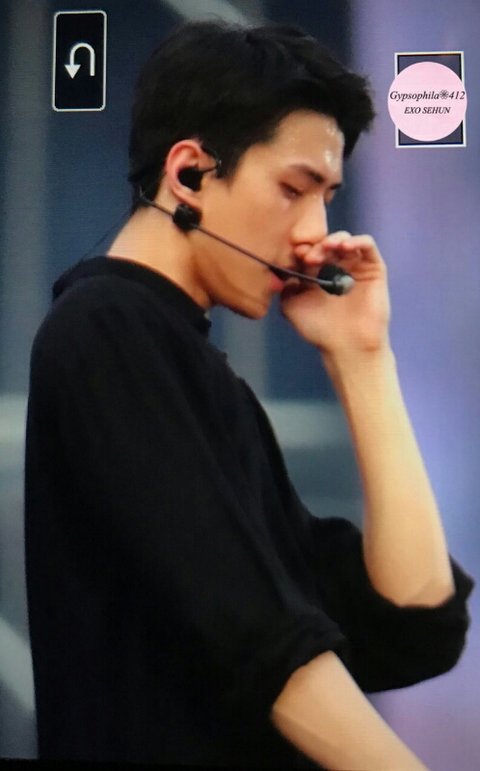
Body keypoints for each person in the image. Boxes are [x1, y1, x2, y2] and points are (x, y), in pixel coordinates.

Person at [25, 20, 474, 769]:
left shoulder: (194, 369)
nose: (314, 235)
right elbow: (262, 644)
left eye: (327, 198)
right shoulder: (106, 329)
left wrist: (363, 359)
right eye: (294, 190)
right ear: (190, 174)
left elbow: (414, 622)